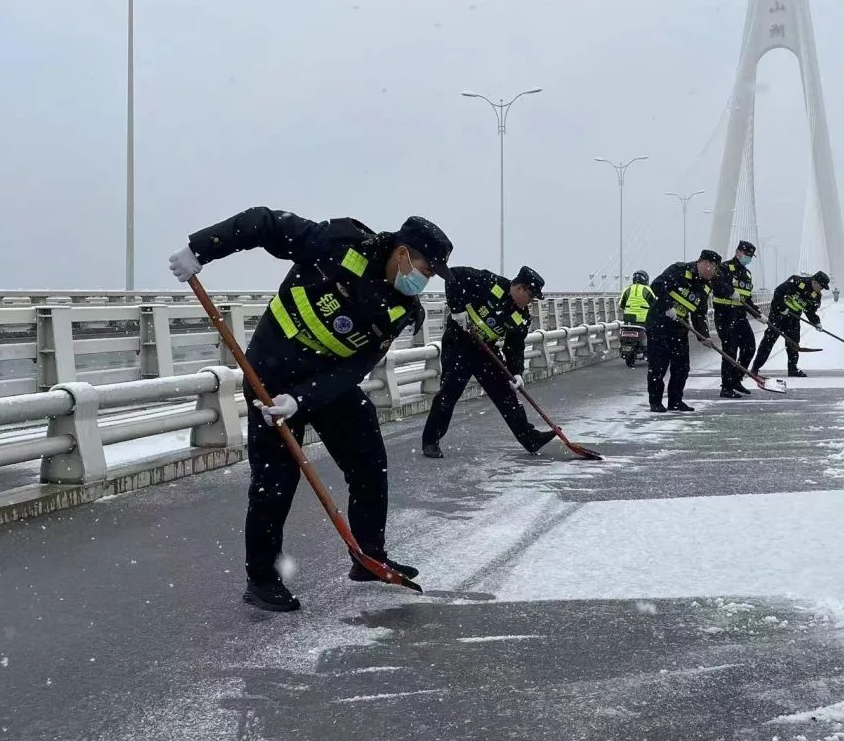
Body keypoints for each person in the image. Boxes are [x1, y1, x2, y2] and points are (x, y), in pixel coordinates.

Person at [168, 209, 454, 612]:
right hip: (270, 376)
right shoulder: (337, 244)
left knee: (369, 463)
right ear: (403, 253)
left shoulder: (400, 309)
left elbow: (356, 366)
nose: (424, 280)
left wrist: (302, 399)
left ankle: (367, 556)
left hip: (323, 387)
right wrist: (202, 248)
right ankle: (263, 580)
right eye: (426, 268)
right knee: (274, 483)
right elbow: (265, 223)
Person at [421, 266, 557, 459]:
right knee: (450, 391)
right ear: (519, 288)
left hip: (485, 350)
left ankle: (529, 438)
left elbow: (514, 347)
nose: (530, 301)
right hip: (459, 342)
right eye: (530, 296)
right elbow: (453, 275)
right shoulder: (491, 283)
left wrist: (516, 372)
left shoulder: (522, 316)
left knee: (505, 393)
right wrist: (457, 309)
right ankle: (431, 441)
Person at [647, 250, 726, 412]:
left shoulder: (705, 286)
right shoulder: (678, 270)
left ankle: (675, 401)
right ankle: (655, 402)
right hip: (659, 323)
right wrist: (668, 306)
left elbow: (699, 314)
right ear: (705, 263)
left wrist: (704, 336)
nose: (715, 273)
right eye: (715, 268)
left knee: (681, 367)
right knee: (658, 366)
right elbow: (656, 285)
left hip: (679, 327)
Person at [751, 270, 829, 378]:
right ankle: (755, 368)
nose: (822, 289)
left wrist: (816, 322)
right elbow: (778, 291)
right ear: (815, 282)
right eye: (821, 286)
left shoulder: (816, 296)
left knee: (793, 344)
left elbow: (810, 311)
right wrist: (782, 308)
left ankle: (792, 369)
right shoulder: (796, 281)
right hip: (778, 315)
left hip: (793, 319)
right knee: (768, 342)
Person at [712, 240, 757, 399]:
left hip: (740, 316)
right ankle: (726, 387)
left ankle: (736, 380)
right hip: (725, 315)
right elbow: (716, 284)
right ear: (738, 252)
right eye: (747, 255)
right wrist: (730, 291)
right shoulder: (725, 267)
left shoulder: (747, 274)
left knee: (750, 347)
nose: (749, 258)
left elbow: (747, 300)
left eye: (751, 256)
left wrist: (759, 314)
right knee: (730, 350)